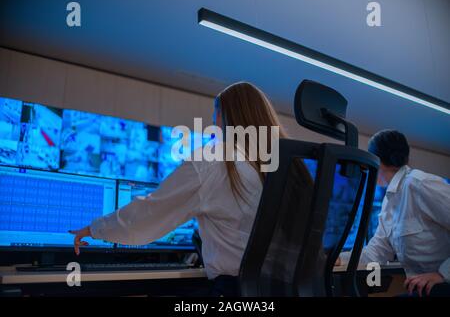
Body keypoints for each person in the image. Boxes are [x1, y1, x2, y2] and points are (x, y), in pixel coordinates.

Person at [69, 81, 293, 297]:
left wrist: (94, 229)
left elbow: (150, 213)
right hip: (284, 287)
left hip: (235, 290)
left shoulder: (213, 161)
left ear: (226, 117)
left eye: (216, 114)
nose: (213, 123)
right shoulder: (284, 166)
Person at [338, 130, 450, 297]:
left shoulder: (419, 184)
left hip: (442, 284)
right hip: (422, 289)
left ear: (377, 160)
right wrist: (339, 259)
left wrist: (443, 274)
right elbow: (375, 253)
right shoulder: (389, 201)